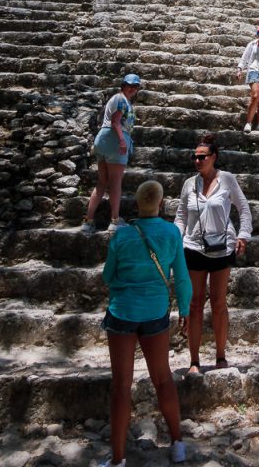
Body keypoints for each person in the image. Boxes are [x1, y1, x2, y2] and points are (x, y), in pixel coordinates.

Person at [100, 180, 192, 467]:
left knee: (121, 385)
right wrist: (185, 309)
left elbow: (107, 276)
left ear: (137, 205)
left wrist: (123, 286)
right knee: (163, 378)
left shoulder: (122, 236)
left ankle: (118, 459)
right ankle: (177, 443)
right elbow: (182, 277)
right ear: (161, 204)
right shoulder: (171, 233)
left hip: (123, 311)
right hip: (156, 312)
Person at [175, 135, 252, 375]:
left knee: (218, 302)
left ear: (213, 157)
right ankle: (194, 361)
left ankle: (220, 355)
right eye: (195, 157)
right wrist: (176, 239)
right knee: (195, 303)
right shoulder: (189, 183)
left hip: (221, 247)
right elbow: (181, 216)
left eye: (202, 157)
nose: (197, 160)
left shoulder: (227, 179)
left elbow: (243, 207)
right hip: (194, 247)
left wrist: (244, 234)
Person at [82, 74, 141, 236]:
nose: (133, 88)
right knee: (115, 182)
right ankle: (115, 220)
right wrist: (122, 141)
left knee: (102, 182)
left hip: (103, 140)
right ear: (123, 85)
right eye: (130, 85)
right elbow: (116, 121)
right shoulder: (121, 100)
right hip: (115, 140)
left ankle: (89, 220)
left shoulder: (119, 99)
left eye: (136, 86)